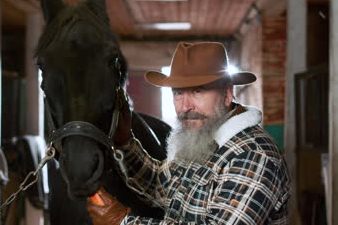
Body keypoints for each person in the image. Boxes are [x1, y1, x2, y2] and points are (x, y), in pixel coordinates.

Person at [86, 42, 291, 224]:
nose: (186, 106)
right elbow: (160, 185)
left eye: (198, 91)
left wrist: (123, 221)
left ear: (228, 93)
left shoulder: (253, 155)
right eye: (178, 93)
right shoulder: (201, 140)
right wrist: (125, 142)